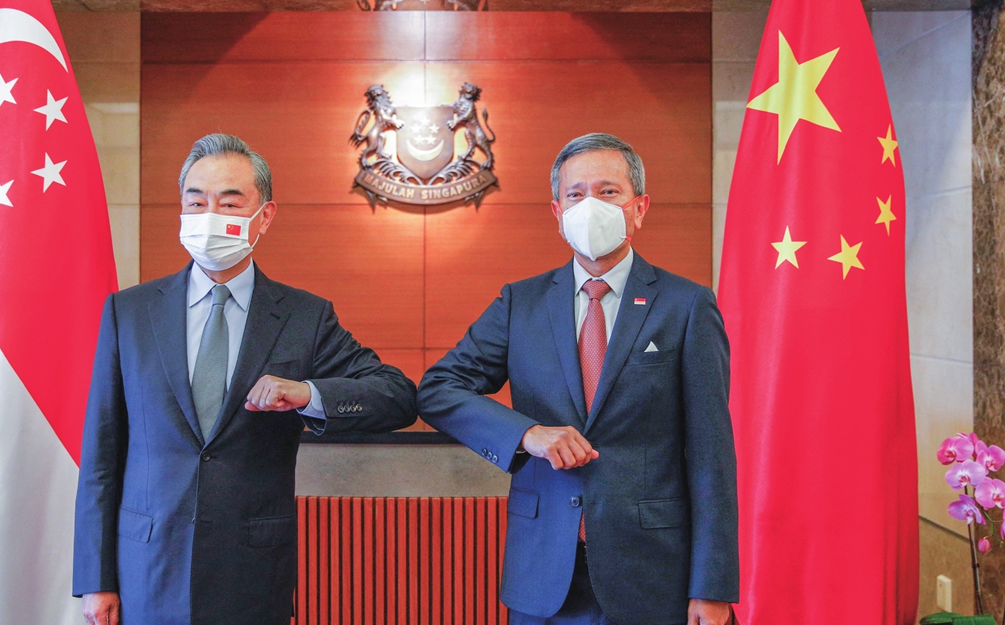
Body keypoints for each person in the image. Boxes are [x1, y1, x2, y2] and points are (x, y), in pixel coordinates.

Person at [73, 134, 418, 625]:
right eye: (196, 201)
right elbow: (101, 455)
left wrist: (309, 394)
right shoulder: (129, 312)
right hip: (144, 567)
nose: (210, 214)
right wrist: (96, 578)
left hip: (252, 570)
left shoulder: (304, 316)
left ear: (265, 215)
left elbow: (397, 395)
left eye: (229, 201)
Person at [417, 133, 738, 625]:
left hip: (653, 575)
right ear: (557, 212)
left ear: (639, 207)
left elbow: (712, 455)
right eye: (576, 193)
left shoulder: (687, 305)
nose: (591, 204)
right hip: (544, 574)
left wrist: (711, 587)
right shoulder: (519, 304)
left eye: (608, 192)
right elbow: (439, 389)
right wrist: (527, 434)